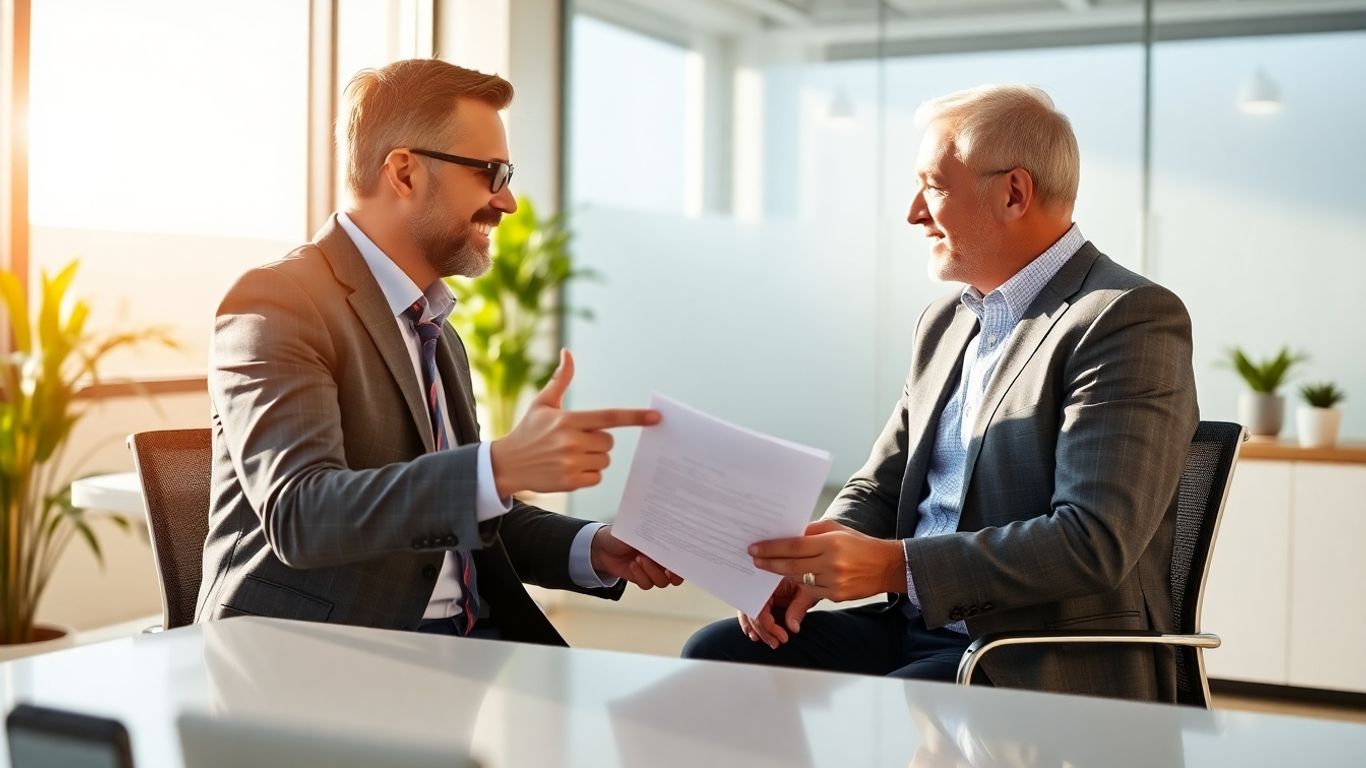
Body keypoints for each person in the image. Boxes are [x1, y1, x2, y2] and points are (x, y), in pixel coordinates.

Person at [683, 84, 1198, 701]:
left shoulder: (1124, 317)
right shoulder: (944, 323)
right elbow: (881, 484)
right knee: (718, 657)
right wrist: (811, 564)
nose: (912, 212)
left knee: (897, 709)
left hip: (1031, 651)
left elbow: (1093, 540)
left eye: (932, 185)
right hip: (916, 627)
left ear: (1013, 192)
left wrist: (893, 565)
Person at [198, 59, 680, 643]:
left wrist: (598, 548)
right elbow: (303, 514)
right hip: (325, 656)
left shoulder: (435, 329)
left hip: (468, 648)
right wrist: (500, 466)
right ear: (404, 172)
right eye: (493, 174)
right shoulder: (279, 301)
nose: (508, 203)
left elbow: (465, 513)